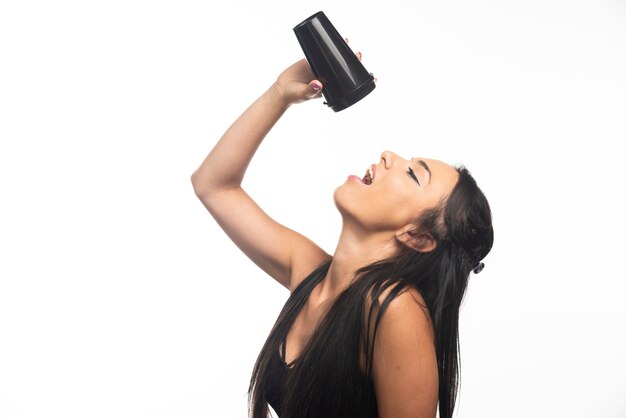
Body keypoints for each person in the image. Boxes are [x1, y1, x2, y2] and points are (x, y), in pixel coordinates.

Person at [191, 52, 494, 418]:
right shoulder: (312, 275)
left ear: (417, 236)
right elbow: (213, 185)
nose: (389, 155)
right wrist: (281, 91)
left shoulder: (395, 308)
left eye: (414, 174)